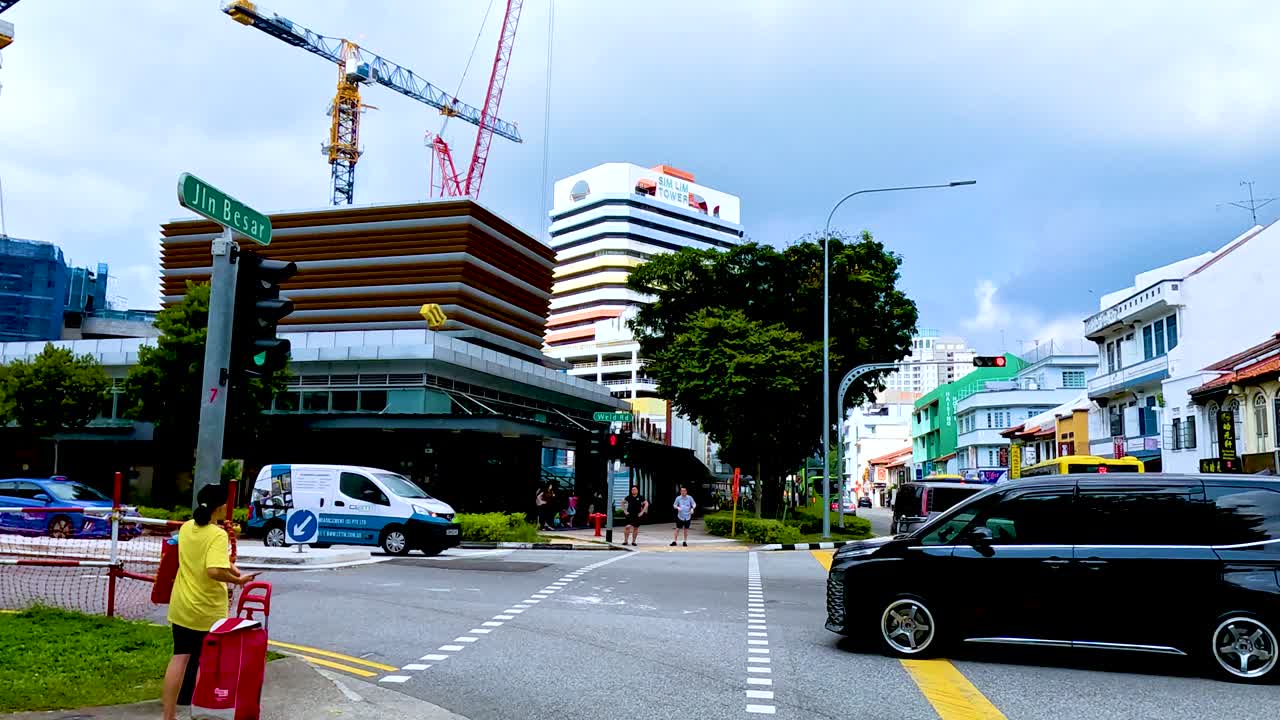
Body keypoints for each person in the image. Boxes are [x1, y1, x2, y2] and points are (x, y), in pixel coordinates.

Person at [163, 483, 257, 720]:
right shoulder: (217, 534)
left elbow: (216, 560)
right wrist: (238, 580)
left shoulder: (186, 528)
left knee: (180, 657)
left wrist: (235, 571)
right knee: (205, 664)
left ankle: (169, 716)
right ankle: (198, 713)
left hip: (182, 605)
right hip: (206, 609)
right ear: (222, 506)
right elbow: (214, 570)